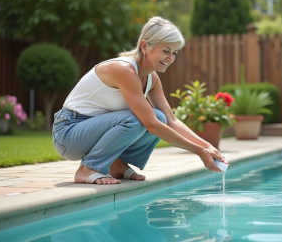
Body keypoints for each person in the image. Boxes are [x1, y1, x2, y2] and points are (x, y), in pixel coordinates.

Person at [52, 16, 228, 185]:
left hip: (91, 132)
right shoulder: (124, 70)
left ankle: (117, 165)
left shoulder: (152, 78)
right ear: (144, 46)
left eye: (174, 53)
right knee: (139, 119)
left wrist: (207, 146)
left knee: (160, 117)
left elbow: (171, 120)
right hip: (68, 133)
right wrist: (199, 152)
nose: (171, 58)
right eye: (166, 51)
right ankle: (87, 169)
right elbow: (150, 125)